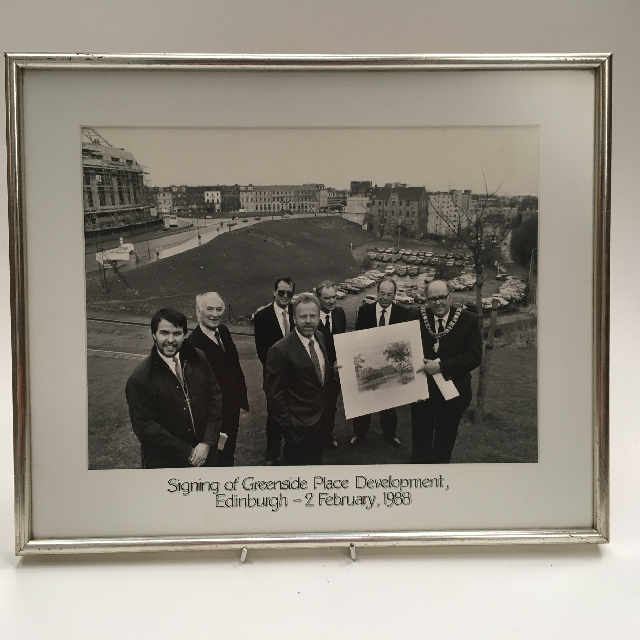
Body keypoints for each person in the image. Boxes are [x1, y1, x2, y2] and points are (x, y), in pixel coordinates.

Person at [125, 308, 223, 469]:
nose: (170, 340)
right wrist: (187, 452)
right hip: (167, 462)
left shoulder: (199, 358)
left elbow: (215, 398)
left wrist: (206, 443)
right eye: (164, 333)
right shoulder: (140, 378)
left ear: (184, 335)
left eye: (176, 333)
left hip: (206, 455)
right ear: (153, 335)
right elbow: (145, 426)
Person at [407, 279, 482, 463]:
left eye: (442, 297)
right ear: (426, 299)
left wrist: (441, 367)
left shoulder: (468, 320)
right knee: (420, 441)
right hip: (422, 394)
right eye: (432, 298)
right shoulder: (415, 316)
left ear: (451, 296)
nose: (437, 302)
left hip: (453, 394)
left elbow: (474, 356)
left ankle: (439, 479)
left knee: (444, 443)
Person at [264, 293, 328, 465]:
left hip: (320, 425)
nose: (308, 321)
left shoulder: (320, 338)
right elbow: (274, 396)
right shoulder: (280, 350)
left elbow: (317, 378)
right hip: (298, 432)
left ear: (318, 317)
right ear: (294, 318)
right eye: (303, 316)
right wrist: (290, 431)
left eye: (313, 316)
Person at [186, 292, 249, 467]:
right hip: (212, 417)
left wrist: (239, 401)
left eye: (219, 309)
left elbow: (234, 367)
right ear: (199, 311)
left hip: (231, 411)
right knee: (214, 461)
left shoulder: (223, 331)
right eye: (210, 309)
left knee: (228, 455)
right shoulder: (192, 344)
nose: (215, 314)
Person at [350, 278, 409, 447]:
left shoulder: (403, 313)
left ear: (394, 295)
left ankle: (390, 434)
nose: (384, 297)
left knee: (389, 402)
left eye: (389, 294)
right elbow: (357, 337)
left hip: (391, 361)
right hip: (369, 360)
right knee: (364, 401)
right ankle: (359, 434)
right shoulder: (364, 311)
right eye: (382, 293)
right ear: (377, 293)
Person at [253, 277, 295, 464]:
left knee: (294, 414)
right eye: (281, 292)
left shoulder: (297, 313)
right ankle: (272, 454)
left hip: (297, 377)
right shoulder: (262, 316)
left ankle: (292, 451)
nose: (285, 296)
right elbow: (263, 352)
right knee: (275, 416)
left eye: (289, 293)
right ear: (274, 292)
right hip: (274, 378)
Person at [315, 280, 347, 448]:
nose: (331, 301)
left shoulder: (339, 313)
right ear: (318, 298)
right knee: (318, 406)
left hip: (336, 372)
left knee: (331, 405)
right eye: (327, 298)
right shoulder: (312, 319)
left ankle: (328, 433)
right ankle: (316, 437)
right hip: (318, 372)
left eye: (334, 297)